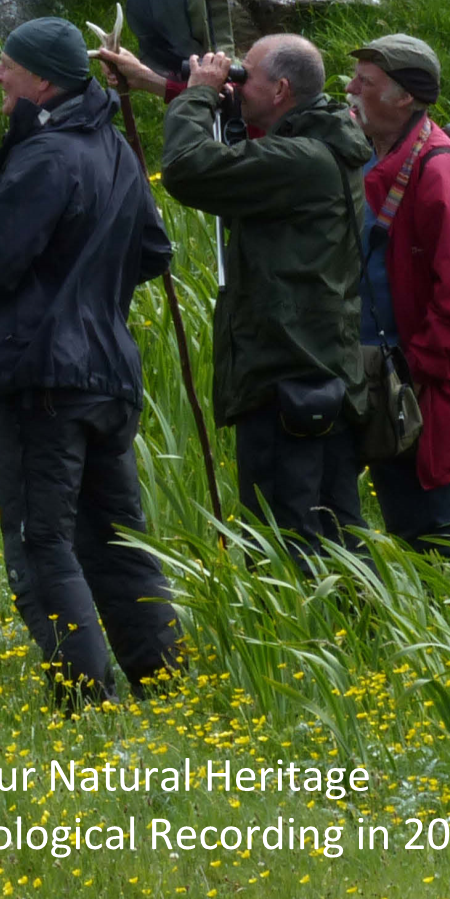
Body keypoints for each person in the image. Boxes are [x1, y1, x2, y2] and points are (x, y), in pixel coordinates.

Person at [0, 17, 183, 705]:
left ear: (42, 80)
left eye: (6, 66)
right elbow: (155, 253)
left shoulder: (46, 156)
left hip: (43, 373)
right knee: (116, 537)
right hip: (108, 373)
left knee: (40, 541)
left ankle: (83, 701)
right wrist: (88, 273)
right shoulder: (111, 150)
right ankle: (164, 686)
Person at [160, 35, 370, 560]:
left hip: (285, 379)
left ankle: (301, 638)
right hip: (319, 375)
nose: (233, 81)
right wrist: (168, 84)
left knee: (286, 545)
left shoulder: (301, 162)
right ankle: (357, 636)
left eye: (243, 75)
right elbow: (242, 144)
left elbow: (188, 168)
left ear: (279, 89)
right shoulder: (328, 144)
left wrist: (198, 96)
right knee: (336, 536)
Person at [346, 34, 450, 556]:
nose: (349, 90)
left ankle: (449, 630)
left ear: (404, 98)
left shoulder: (439, 170)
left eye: (364, 83)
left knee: (431, 535)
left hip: (415, 386)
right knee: (394, 519)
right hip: (380, 374)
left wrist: (412, 373)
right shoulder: (373, 149)